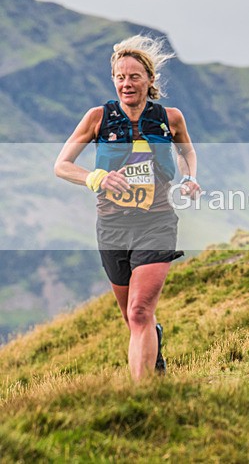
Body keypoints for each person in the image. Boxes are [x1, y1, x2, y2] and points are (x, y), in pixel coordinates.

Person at [54, 35, 201, 380]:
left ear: (149, 80)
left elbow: (186, 153)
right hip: (112, 227)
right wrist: (97, 178)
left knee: (138, 312)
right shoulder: (97, 118)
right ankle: (155, 342)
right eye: (120, 77)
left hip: (157, 222)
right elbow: (62, 164)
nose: (126, 83)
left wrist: (189, 178)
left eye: (134, 76)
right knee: (133, 318)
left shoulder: (170, 118)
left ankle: (142, 397)